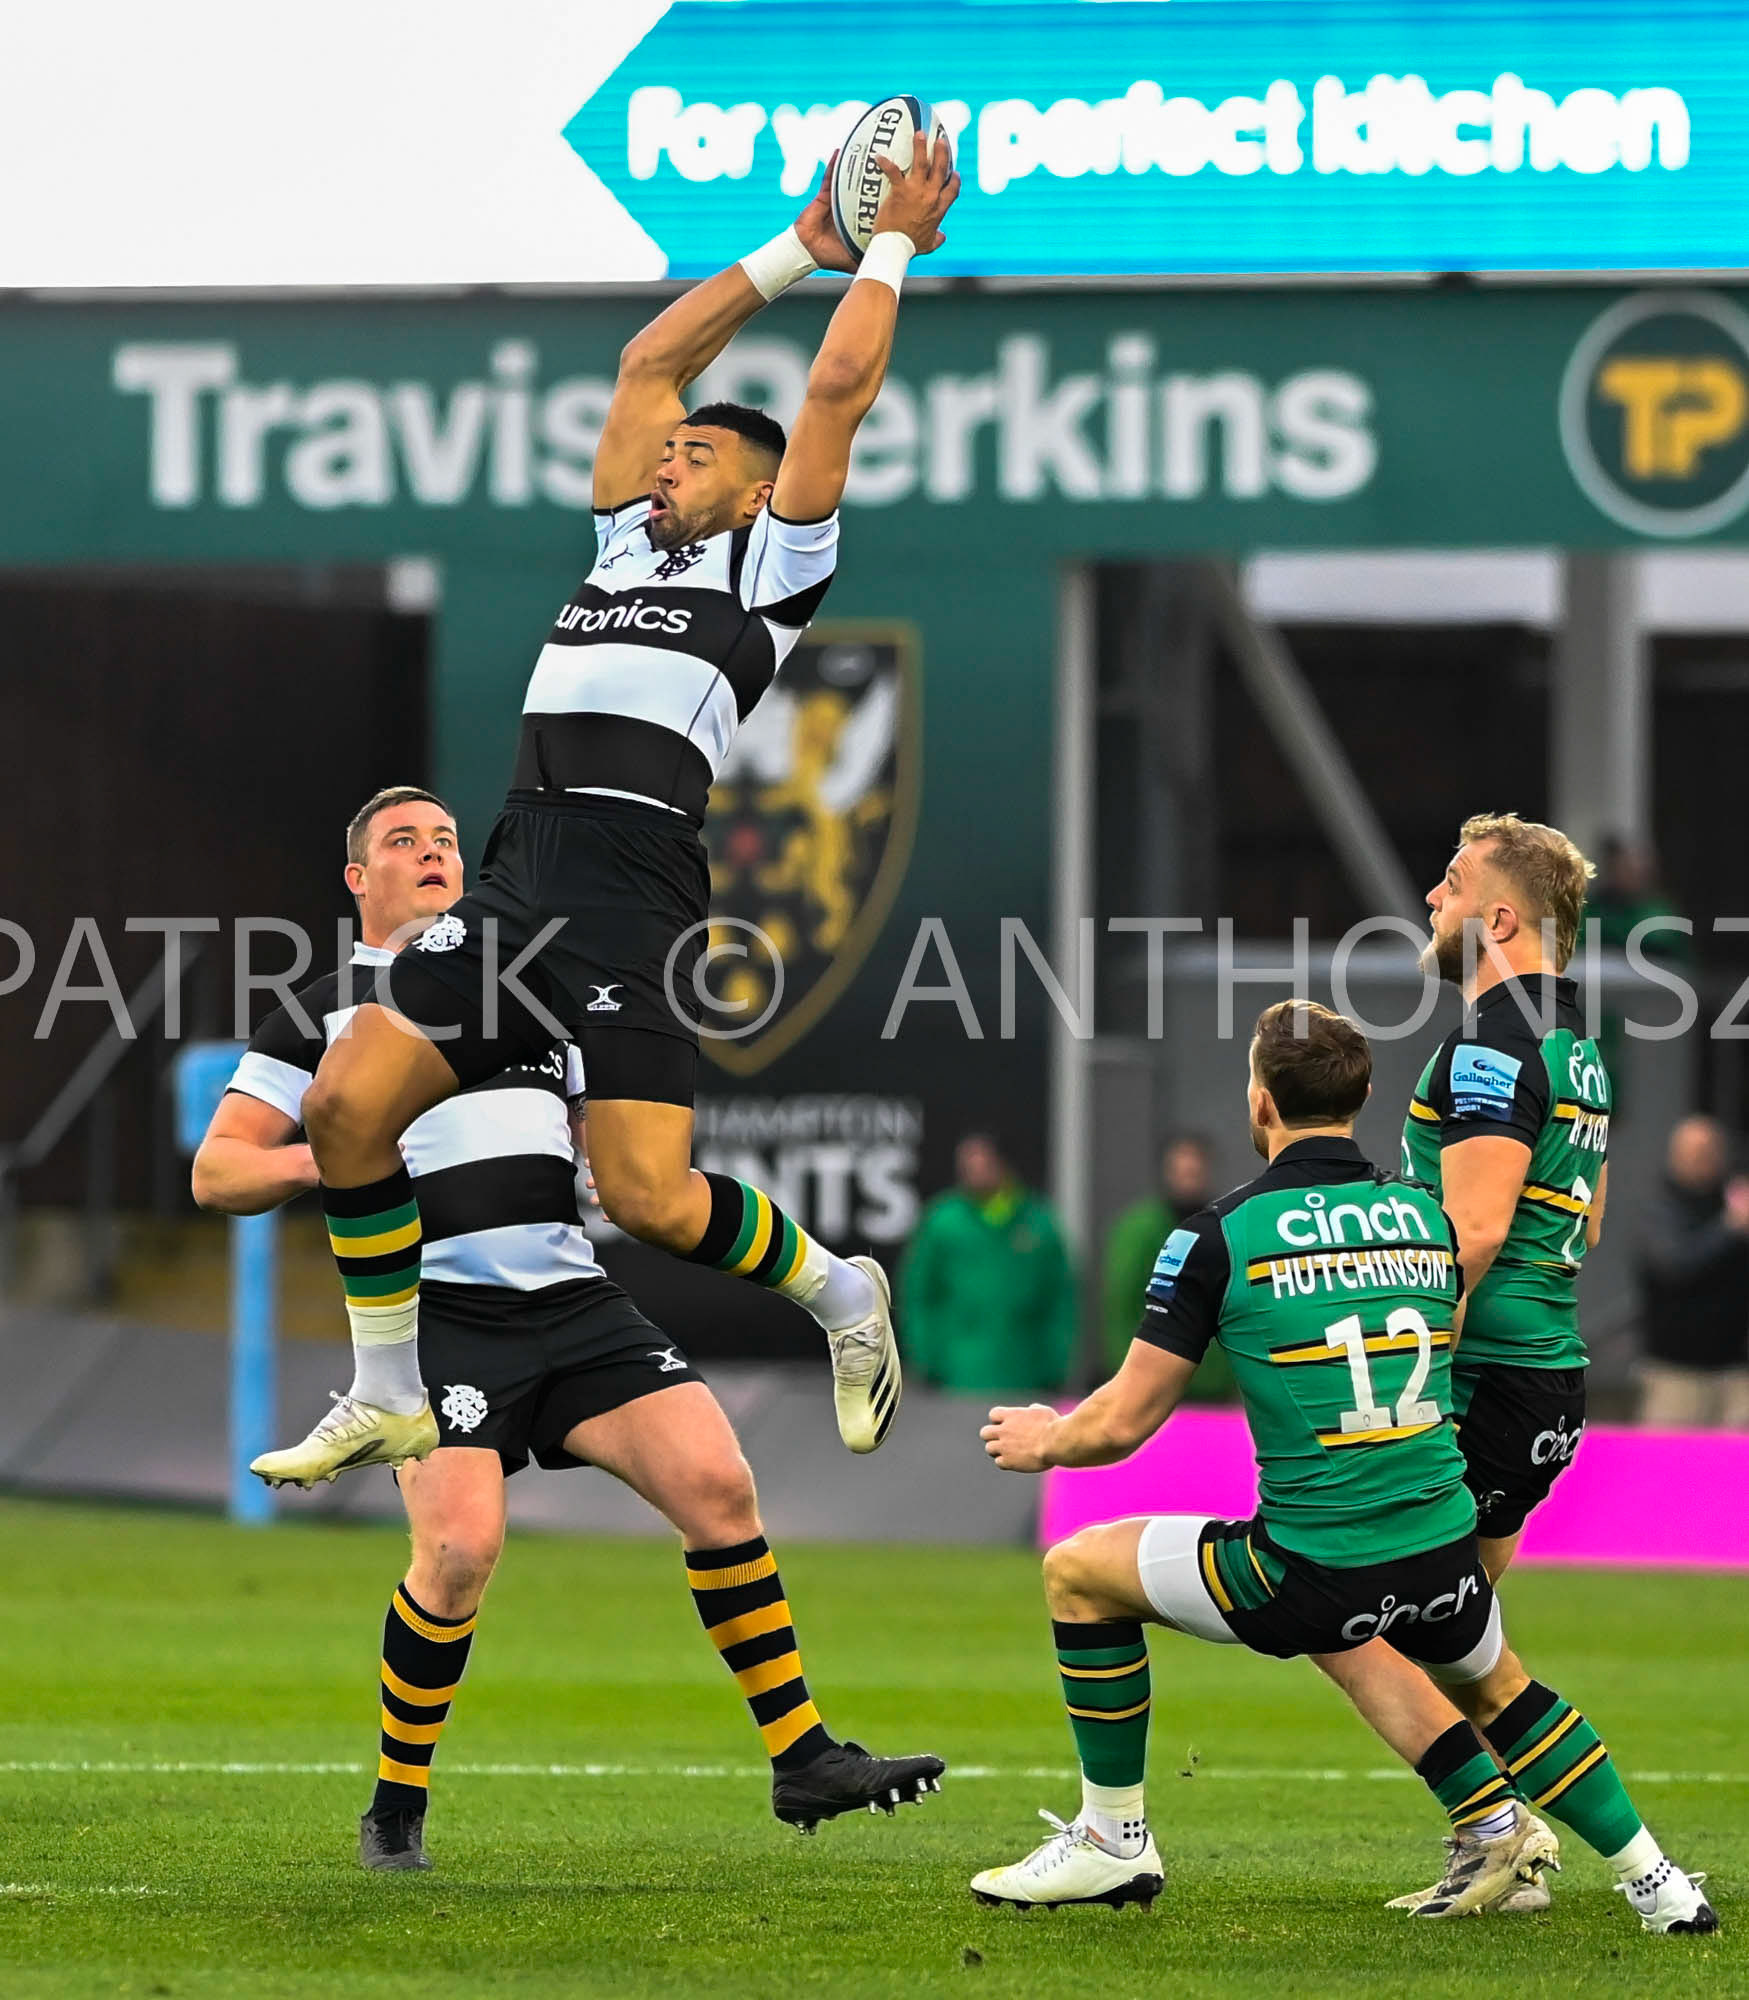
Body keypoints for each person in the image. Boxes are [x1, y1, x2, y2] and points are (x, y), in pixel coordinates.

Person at [252, 137, 962, 1487]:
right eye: (667, 456)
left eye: (691, 458)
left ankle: (837, 1295)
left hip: (629, 884)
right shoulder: (628, 542)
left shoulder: (777, 567)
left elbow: (837, 387)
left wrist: (888, 248)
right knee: (347, 1109)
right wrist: (795, 247)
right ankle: (390, 1388)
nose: (662, 465)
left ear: (753, 490)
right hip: (518, 872)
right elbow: (648, 365)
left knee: (644, 1197)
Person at [193, 787, 943, 1871]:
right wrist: (341, 1144)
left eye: (447, 838)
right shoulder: (324, 1011)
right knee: (458, 1551)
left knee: (719, 1485)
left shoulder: (534, 994)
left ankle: (803, 1755)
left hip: (573, 1301)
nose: (434, 853)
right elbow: (219, 1168)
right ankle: (395, 1808)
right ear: (358, 880)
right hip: (440, 1315)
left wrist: (599, 1156)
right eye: (403, 842)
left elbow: (605, 1143)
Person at [971, 1002, 1714, 1935]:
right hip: (1440, 1545)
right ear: (1364, 1099)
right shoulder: (1429, 1221)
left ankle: (1113, 1842)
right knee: (1496, 1685)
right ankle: (1654, 1882)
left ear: (1259, 1101)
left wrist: (1045, 1438)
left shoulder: (1215, 1237)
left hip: (1306, 1569)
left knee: (1077, 1575)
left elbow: (1120, 1424)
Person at [1401, 813, 1608, 1583]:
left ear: (1498, 920)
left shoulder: (1495, 1044)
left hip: (1479, 1380)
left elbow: (1475, 1235)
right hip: (1545, 1375)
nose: (1429, 898)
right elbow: (1587, 1222)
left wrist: (1412, 1375)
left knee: (1355, 1611)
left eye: (1450, 885)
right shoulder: (1576, 1047)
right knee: (1450, 1650)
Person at [899, 1133, 1078, 1395]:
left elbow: (1061, 1298)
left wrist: (1056, 1364)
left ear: (1003, 1164)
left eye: (984, 1162)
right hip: (957, 1375)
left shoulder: (1039, 1223)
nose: (976, 1171)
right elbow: (919, 1294)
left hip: (1024, 1374)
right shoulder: (942, 1221)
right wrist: (926, 1359)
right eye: (968, 1165)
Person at [1636, 1115, 1749, 1428]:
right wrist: (1729, 1229)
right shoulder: (1659, 1210)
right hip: (1676, 1372)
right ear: (1676, 1156)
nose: (1705, 1160)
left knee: (1735, 1472)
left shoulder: (1734, 1200)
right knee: (1669, 1468)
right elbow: (1675, 1266)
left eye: (1711, 1151)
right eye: (1696, 1153)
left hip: (1735, 1370)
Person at [1099, 1134, 1225, 1384]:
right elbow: (1120, 1302)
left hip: (1213, 1384)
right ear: (1167, 1172)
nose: (1189, 1179)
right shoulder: (1139, 1229)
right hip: (1150, 1378)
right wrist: (1127, 1373)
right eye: (1182, 1171)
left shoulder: (1225, 1226)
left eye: (1195, 1171)